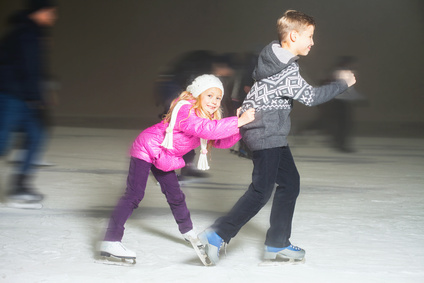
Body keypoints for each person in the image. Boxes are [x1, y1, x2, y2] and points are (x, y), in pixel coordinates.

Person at [198, 10, 356, 265]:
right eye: (310, 36)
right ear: (294, 36)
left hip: (269, 132)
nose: (313, 42)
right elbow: (312, 97)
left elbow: (258, 89)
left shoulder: (273, 59)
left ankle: (277, 242)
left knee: (290, 183)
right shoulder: (285, 70)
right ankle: (217, 235)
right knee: (261, 192)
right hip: (266, 133)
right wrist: (342, 84)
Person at [99, 74, 255, 262]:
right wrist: (238, 121)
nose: (214, 102)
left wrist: (240, 127)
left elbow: (219, 140)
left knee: (176, 195)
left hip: (165, 155)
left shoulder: (207, 117)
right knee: (134, 195)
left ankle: (188, 231)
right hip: (147, 147)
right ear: (198, 95)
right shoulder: (186, 110)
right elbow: (207, 129)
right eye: (210, 95)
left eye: (218, 98)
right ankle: (111, 240)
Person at [0, 0, 58, 203]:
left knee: (36, 135)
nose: (53, 16)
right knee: (2, 143)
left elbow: (36, 69)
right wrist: (39, 98)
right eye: (50, 12)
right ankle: (19, 186)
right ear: (38, 12)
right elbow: (29, 69)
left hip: (24, 97)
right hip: (11, 96)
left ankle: (19, 186)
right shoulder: (25, 34)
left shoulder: (34, 33)